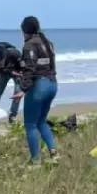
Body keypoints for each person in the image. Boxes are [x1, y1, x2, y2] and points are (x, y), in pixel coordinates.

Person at [11, 16, 59, 164]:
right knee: (41, 122)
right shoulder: (47, 42)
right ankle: (53, 152)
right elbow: (45, 65)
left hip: (39, 87)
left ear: (24, 30)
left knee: (30, 124)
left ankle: (35, 161)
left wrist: (23, 90)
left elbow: (31, 69)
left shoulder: (29, 45)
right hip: (52, 84)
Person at [0, 42, 23, 125]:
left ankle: (12, 116)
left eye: (1, 62)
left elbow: (25, 68)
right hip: (5, 73)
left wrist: (19, 75)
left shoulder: (15, 54)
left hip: (18, 71)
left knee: (17, 93)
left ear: (5, 56)